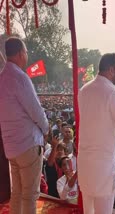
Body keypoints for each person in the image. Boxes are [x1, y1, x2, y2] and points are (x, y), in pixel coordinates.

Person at [77, 53, 115, 214]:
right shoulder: (112, 93)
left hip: (86, 166)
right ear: (110, 70)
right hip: (102, 170)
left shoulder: (84, 90)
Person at [0, 37, 49, 214]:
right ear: (21, 53)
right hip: (27, 144)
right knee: (29, 196)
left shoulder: (2, 77)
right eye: (26, 52)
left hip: (11, 147)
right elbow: (35, 111)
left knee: (17, 193)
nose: (27, 55)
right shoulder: (20, 78)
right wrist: (46, 128)